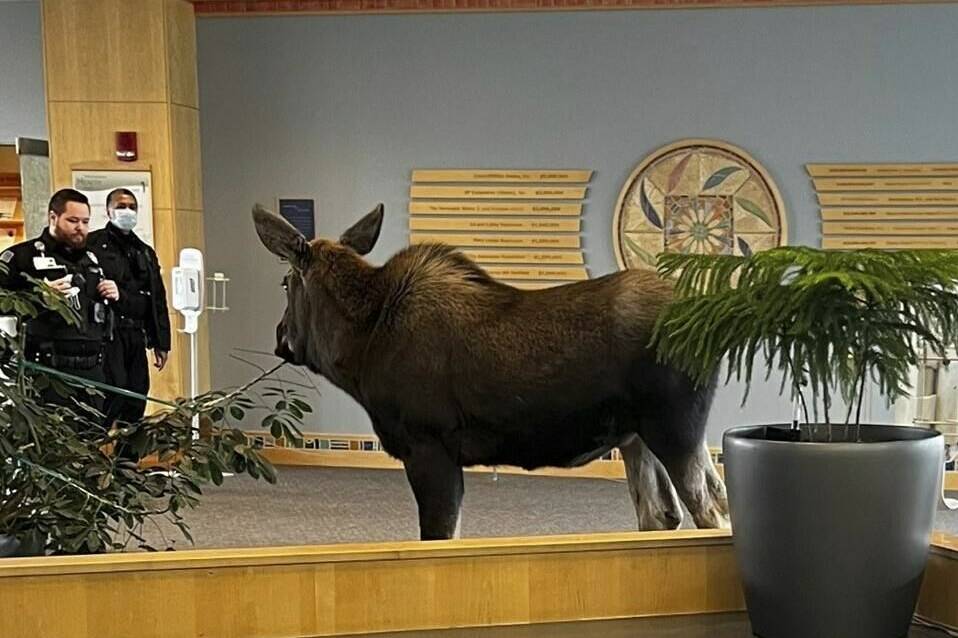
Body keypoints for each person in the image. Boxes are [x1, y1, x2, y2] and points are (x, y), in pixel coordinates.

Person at [0, 188, 120, 411]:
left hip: (92, 371)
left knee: (92, 440)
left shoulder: (92, 260)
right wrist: (38, 297)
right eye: (73, 220)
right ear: (53, 217)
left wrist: (114, 293)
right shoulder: (21, 257)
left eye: (85, 221)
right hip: (47, 372)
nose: (80, 228)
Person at [89, 188, 171, 425]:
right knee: (111, 397)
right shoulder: (93, 245)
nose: (127, 211)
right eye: (120, 206)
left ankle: (127, 461)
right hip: (107, 335)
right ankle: (92, 459)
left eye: (132, 207)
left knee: (136, 397)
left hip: (136, 334)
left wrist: (160, 342)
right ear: (108, 210)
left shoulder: (144, 251)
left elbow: (157, 298)